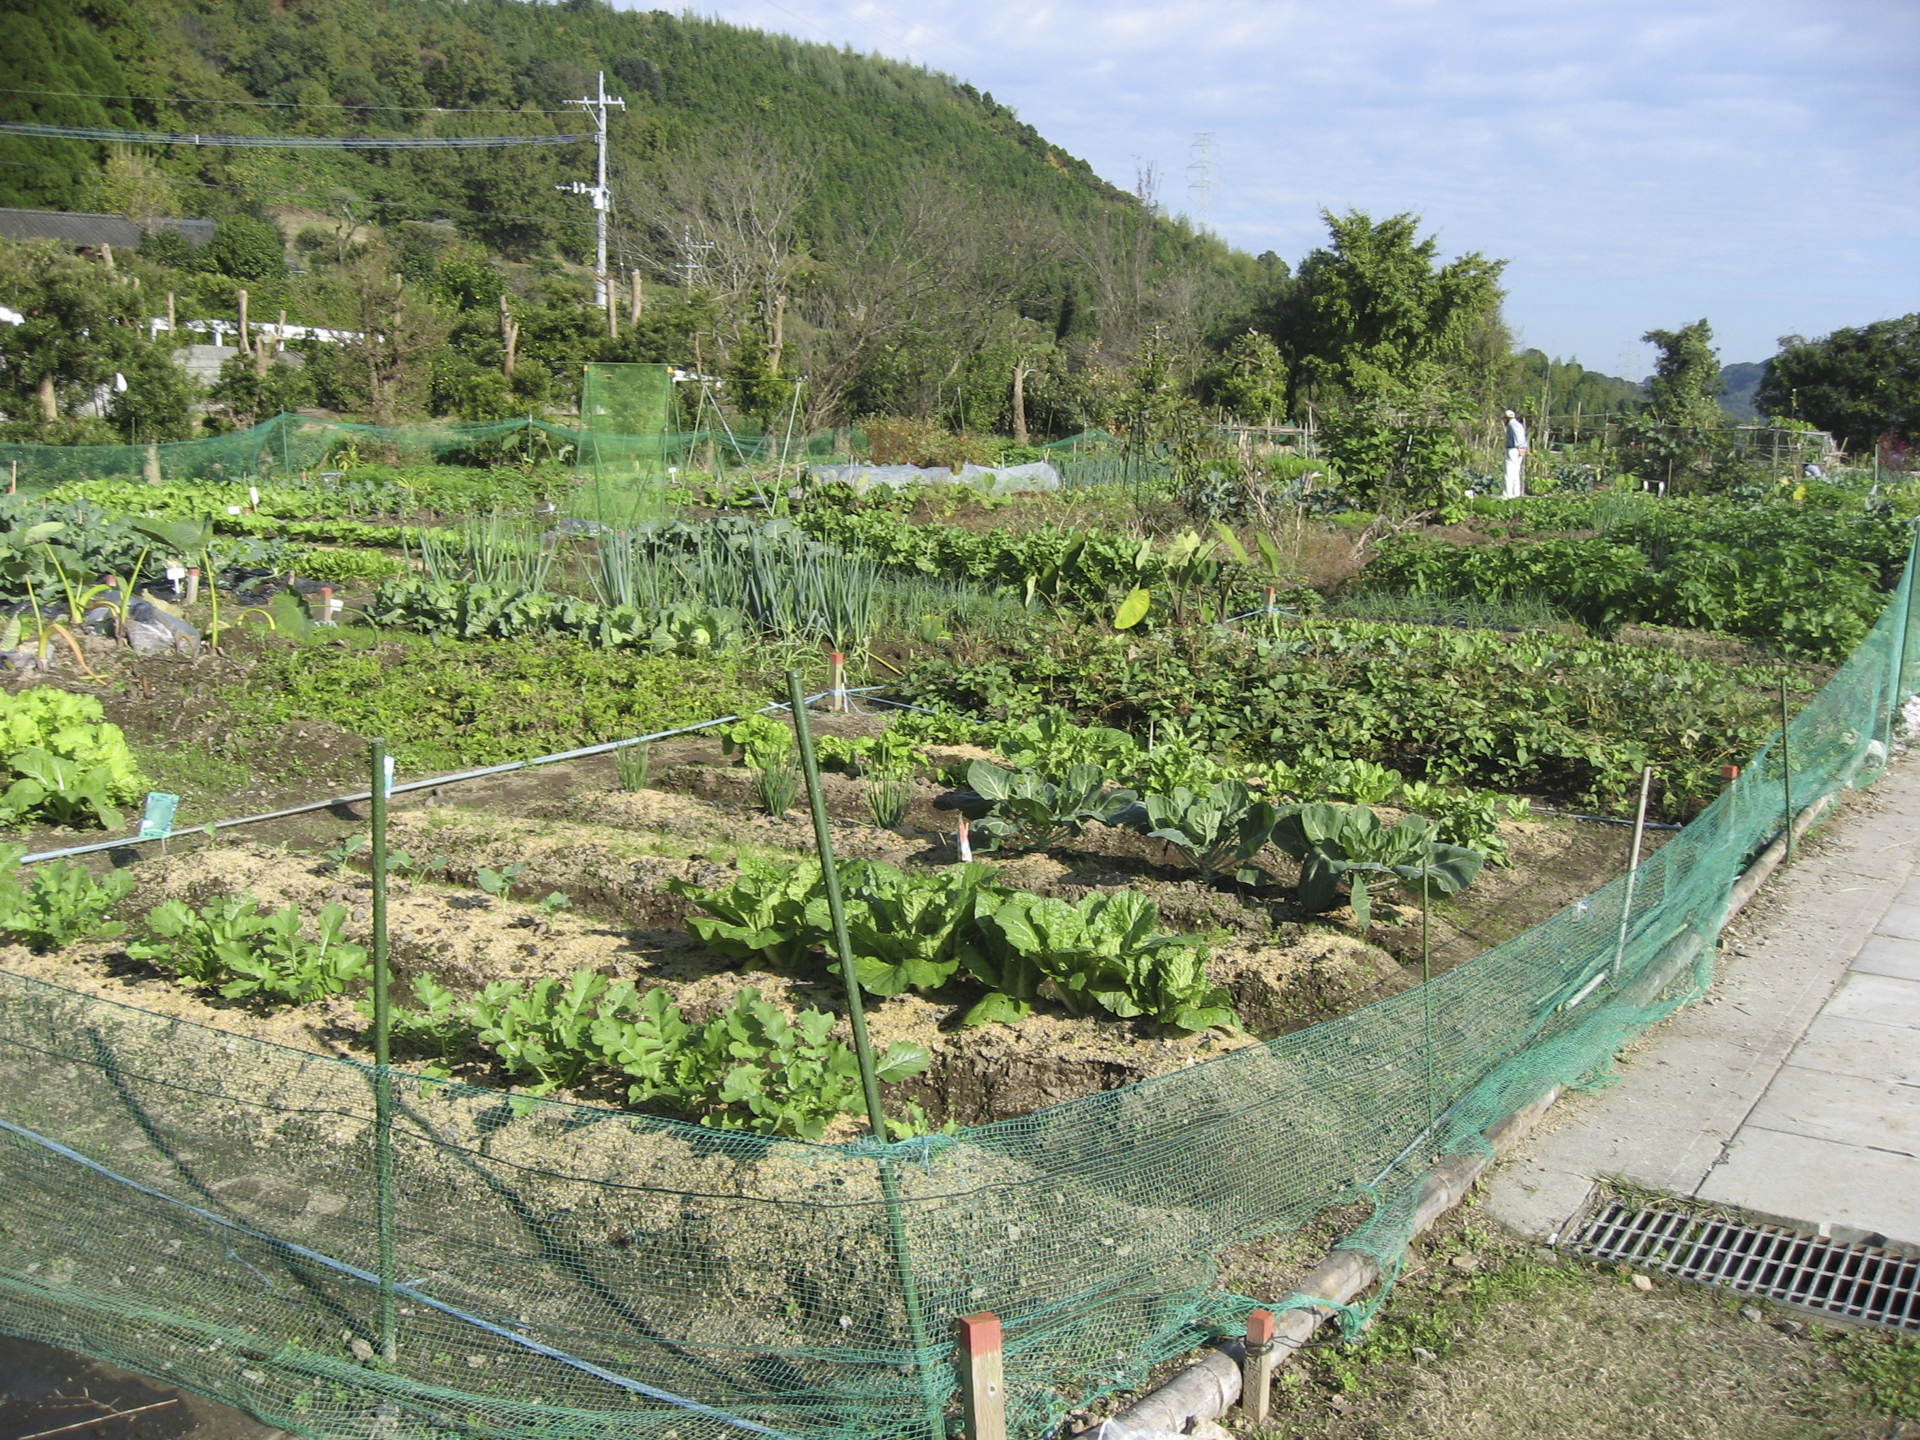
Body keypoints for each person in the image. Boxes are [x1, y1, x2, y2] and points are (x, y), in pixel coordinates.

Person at [1503, 409, 1529, 499]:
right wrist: (1523, 448)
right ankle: (1516, 494)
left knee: (1509, 473)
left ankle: (1508, 495)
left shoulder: (1511, 424)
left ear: (1506, 418)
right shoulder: (1519, 424)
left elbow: (1517, 436)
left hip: (1513, 449)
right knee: (1516, 473)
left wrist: (1519, 446)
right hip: (1520, 449)